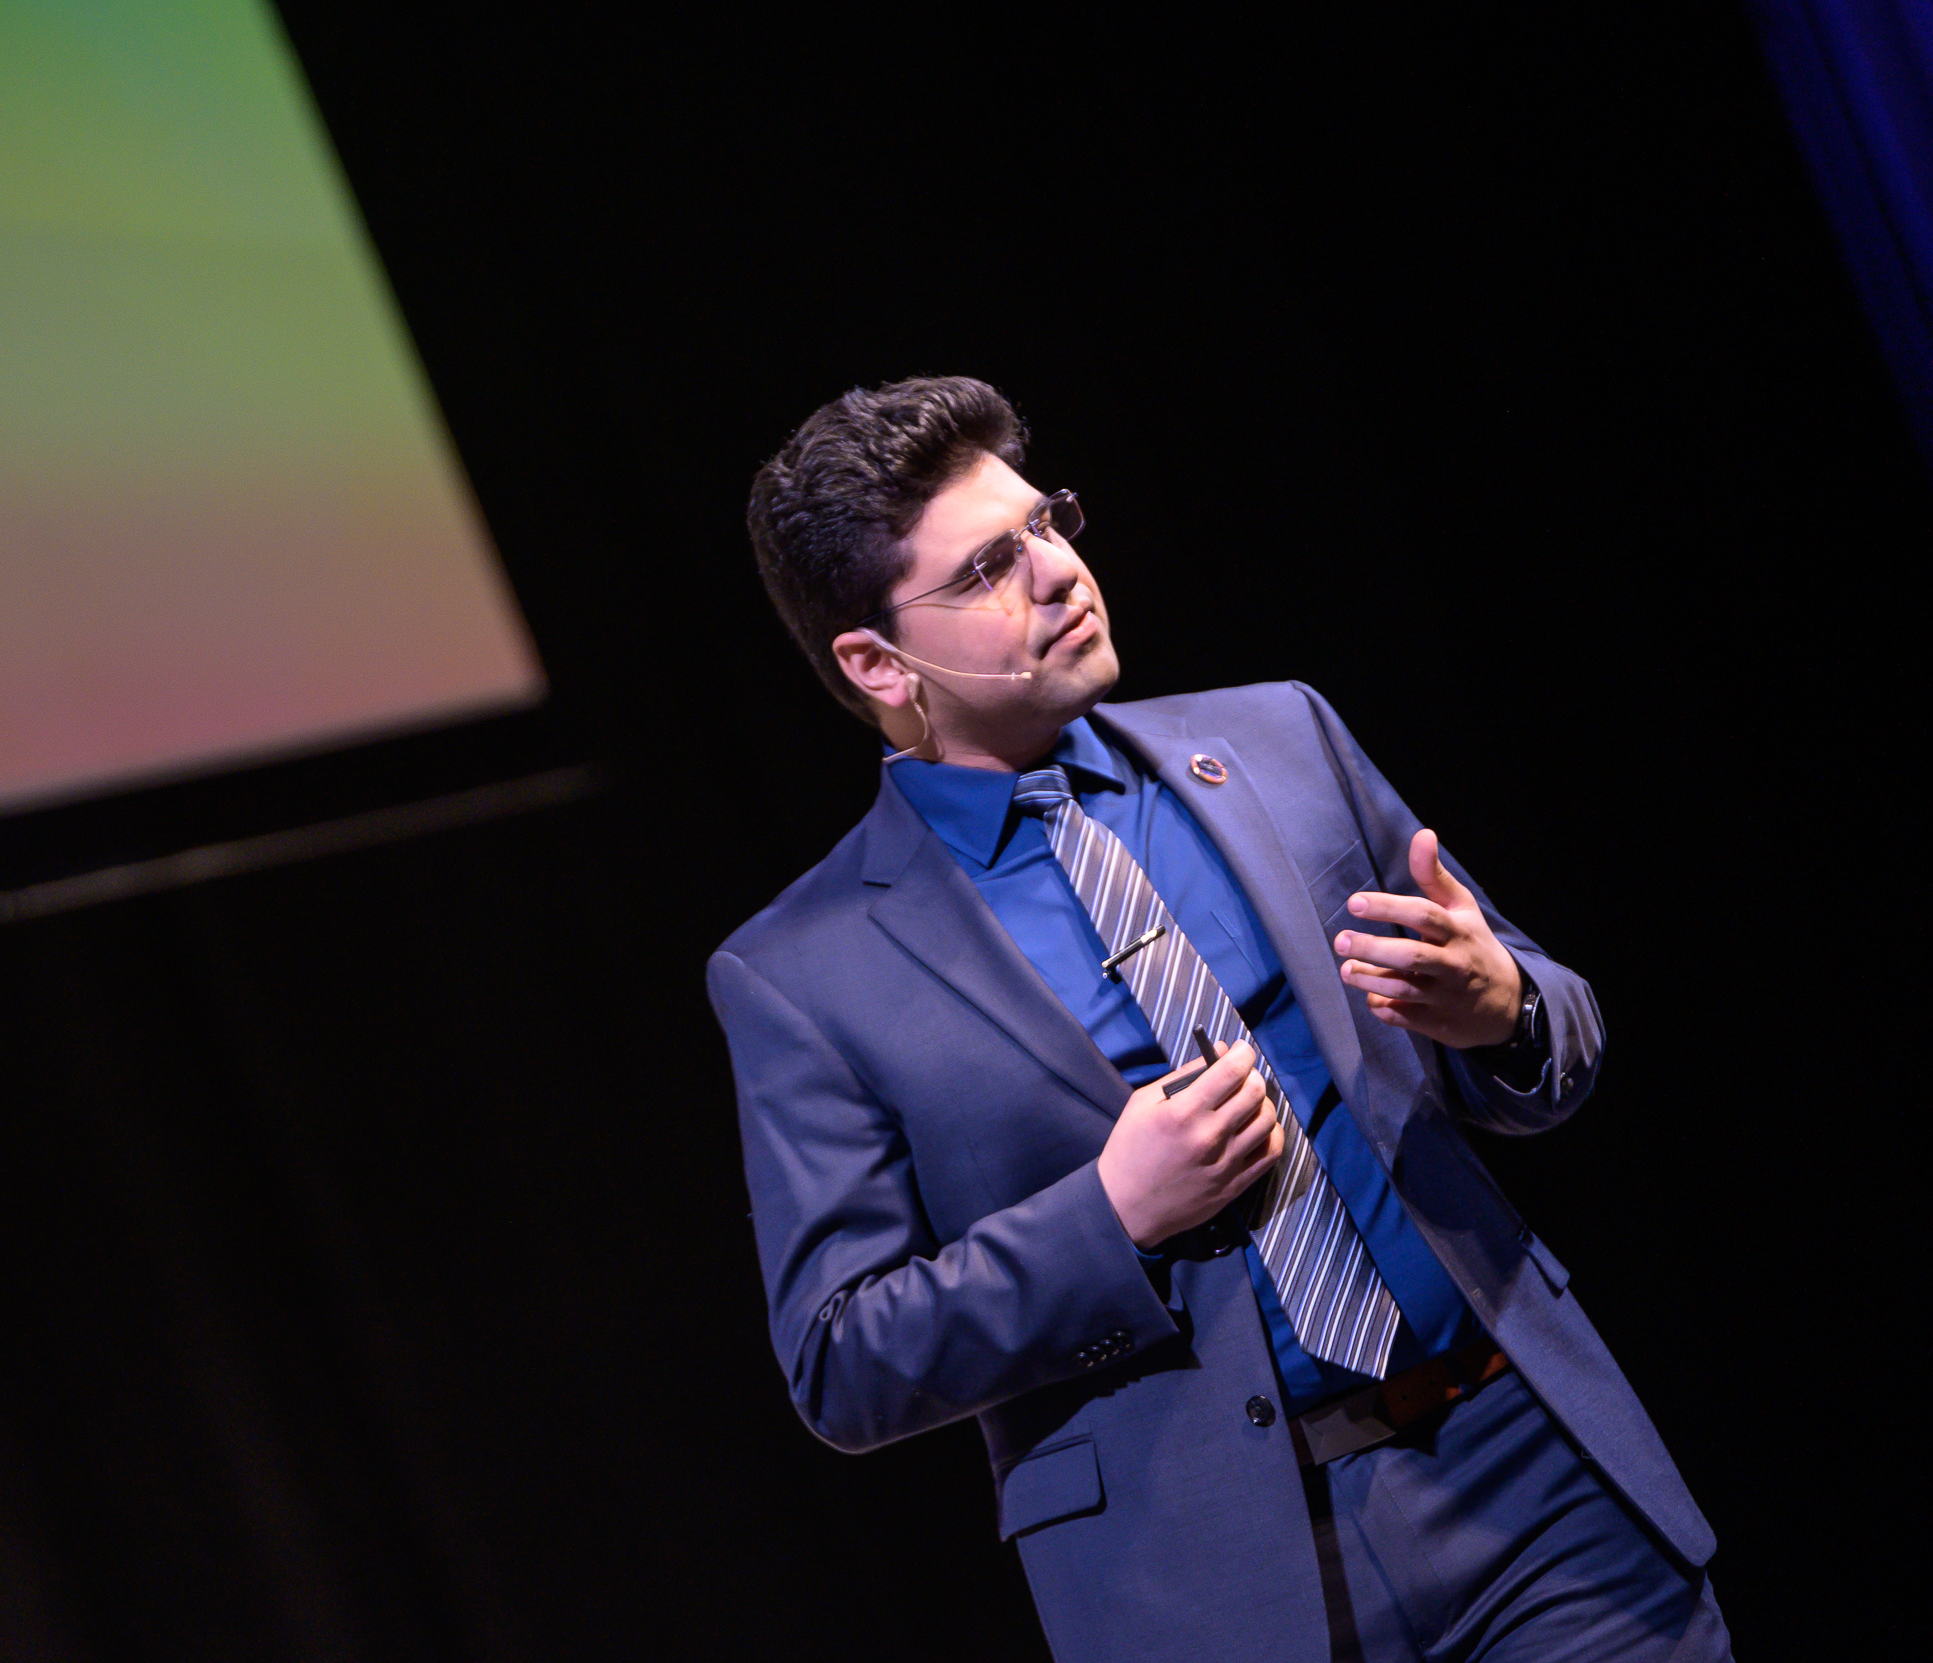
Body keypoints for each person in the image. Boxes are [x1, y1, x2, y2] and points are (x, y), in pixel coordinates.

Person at [707, 376, 1729, 1662]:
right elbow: (841, 1359)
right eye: (986, 568)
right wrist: (1111, 1217)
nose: (1060, 574)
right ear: (875, 662)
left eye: (1050, 524)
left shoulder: (1275, 740)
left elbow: (1556, 1039)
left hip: (1526, 1477)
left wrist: (1500, 1010)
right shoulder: (808, 970)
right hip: (1209, 1586)